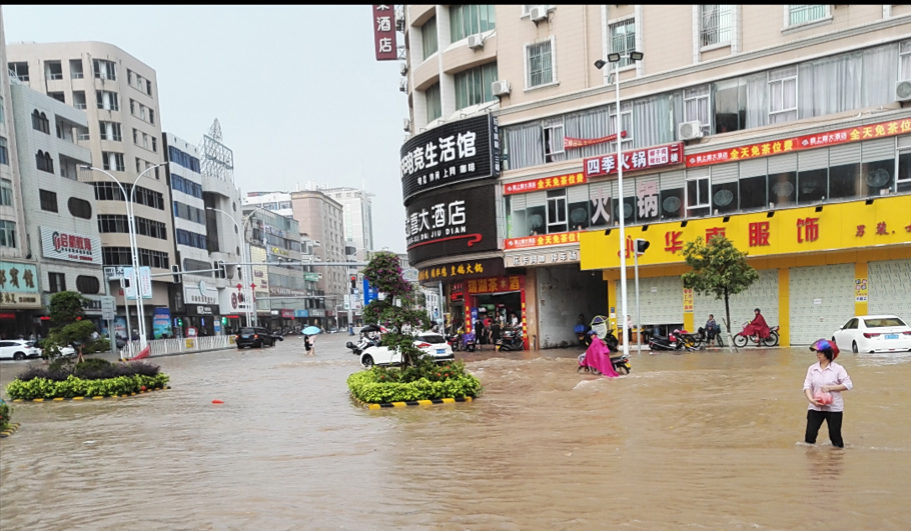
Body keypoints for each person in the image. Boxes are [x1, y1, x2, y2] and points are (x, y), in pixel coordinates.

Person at [803, 339, 853, 448]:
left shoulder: (838, 369)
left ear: (829, 353)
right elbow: (807, 386)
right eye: (817, 352)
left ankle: (837, 457)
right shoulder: (812, 369)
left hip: (834, 407)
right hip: (815, 406)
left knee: (835, 437)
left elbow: (848, 385)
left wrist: (830, 388)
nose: (818, 354)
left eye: (821, 352)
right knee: (810, 436)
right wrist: (811, 400)